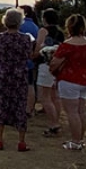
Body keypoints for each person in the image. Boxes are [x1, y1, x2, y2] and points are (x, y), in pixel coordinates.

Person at [0, 8, 32, 152]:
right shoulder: (25, 39)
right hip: (19, 77)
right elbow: (28, 55)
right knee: (20, 106)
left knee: (1, 106)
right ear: (19, 22)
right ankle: (21, 141)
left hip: (2, 75)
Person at [50, 14, 86, 151]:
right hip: (85, 79)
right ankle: (80, 140)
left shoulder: (67, 45)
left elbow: (54, 64)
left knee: (72, 112)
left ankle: (75, 141)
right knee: (81, 111)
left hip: (69, 80)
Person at [33, 8, 64, 138]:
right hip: (57, 66)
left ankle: (53, 124)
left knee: (44, 97)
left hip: (45, 65)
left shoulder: (43, 30)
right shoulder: (60, 33)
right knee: (54, 96)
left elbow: (38, 46)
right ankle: (57, 119)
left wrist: (33, 54)